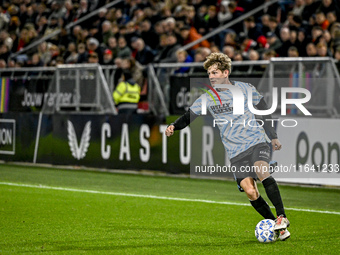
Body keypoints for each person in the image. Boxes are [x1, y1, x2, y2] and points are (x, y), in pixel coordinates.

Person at [165, 52, 290, 241]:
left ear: (225, 72)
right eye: (209, 74)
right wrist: (174, 126)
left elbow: (264, 111)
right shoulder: (208, 98)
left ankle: (282, 216)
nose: (211, 77)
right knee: (250, 191)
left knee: (261, 169)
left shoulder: (246, 89)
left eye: (215, 73)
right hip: (235, 152)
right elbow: (189, 116)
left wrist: (272, 136)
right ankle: (277, 226)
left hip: (257, 141)